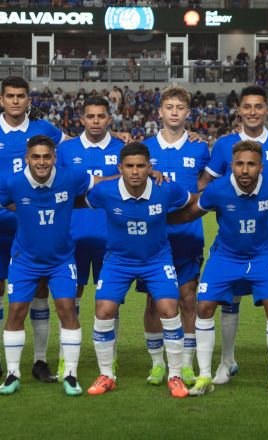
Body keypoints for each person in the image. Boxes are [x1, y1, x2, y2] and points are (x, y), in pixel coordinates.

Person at [169, 140, 268, 398]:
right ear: (231, 167)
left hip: (261, 256)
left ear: (261, 167)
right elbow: (190, 214)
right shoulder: (218, 189)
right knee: (204, 306)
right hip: (225, 257)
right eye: (239, 164)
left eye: (250, 164)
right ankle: (204, 376)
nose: (244, 170)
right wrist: (155, 217)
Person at [198, 86, 268, 387]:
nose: (253, 112)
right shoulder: (223, 145)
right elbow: (206, 183)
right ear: (239, 110)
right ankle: (227, 361)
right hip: (232, 240)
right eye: (247, 107)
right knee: (229, 300)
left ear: (266, 110)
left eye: (258, 107)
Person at [0, 135, 110, 396]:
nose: (42, 161)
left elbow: (100, 183)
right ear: (27, 158)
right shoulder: (14, 182)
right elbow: (0, 201)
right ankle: (13, 373)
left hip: (61, 259)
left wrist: (137, 176)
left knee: (67, 309)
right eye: (36, 156)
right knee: (16, 312)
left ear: (54, 158)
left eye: (47, 156)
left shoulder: (70, 177)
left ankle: (70, 374)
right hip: (24, 260)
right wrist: (26, 211)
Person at [0, 76, 69, 384]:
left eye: (21, 96)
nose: (15, 101)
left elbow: (75, 149)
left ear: (30, 100)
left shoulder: (46, 131)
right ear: (1, 99)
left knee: (40, 290)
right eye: (10, 96)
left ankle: (40, 360)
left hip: (38, 228)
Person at [84, 142, 196, 398]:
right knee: (104, 311)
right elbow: (79, 201)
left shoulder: (165, 189)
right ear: (120, 168)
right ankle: (106, 375)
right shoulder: (105, 192)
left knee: (169, 309)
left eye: (141, 166)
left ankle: (175, 375)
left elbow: (196, 202)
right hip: (118, 261)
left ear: (150, 167)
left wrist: (179, 219)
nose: (135, 171)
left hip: (157, 259)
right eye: (130, 166)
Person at [139, 86, 211, 386]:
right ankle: (158, 364)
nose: (174, 112)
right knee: (155, 301)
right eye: (168, 107)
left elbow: (207, 187)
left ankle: (187, 364)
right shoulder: (144, 148)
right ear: (159, 112)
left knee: (187, 298)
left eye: (180, 107)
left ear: (188, 113)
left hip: (187, 234)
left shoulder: (200, 148)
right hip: (152, 237)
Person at [56, 96, 126, 378]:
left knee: (110, 300)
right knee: (69, 297)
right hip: (72, 235)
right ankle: (64, 357)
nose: (96, 121)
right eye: (90, 116)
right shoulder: (66, 150)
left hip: (111, 236)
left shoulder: (122, 148)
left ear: (109, 118)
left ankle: (112, 356)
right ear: (81, 119)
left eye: (101, 116)